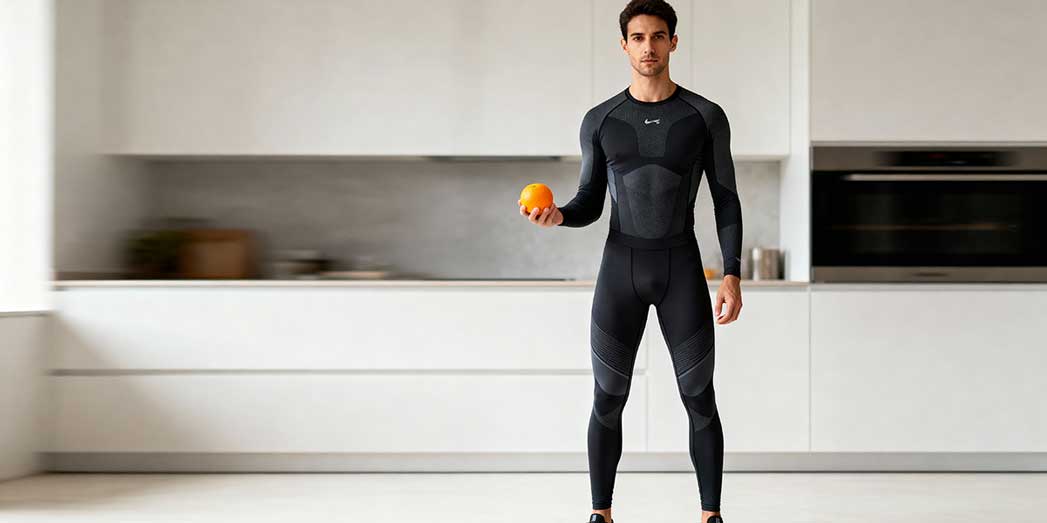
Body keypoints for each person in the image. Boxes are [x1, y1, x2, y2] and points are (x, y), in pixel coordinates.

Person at [518, 1, 742, 522]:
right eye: (638, 38)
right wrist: (560, 218)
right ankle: (601, 513)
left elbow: (726, 198)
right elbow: (589, 203)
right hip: (620, 269)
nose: (648, 47)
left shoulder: (705, 117)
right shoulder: (600, 120)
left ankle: (710, 515)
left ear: (673, 43)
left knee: (698, 394)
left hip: (680, 268)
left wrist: (730, 272)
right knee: (608, 396)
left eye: (658, 36)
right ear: (624, 45)